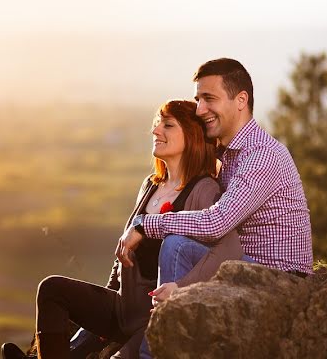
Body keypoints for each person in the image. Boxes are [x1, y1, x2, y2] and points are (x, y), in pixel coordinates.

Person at [2, 99, 242, 359]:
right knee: (51, 290)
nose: (156, 130)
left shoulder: (204, 190)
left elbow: (224, 253)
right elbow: (123, 260)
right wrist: (96, 316)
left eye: (168, 125)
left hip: (151, 314)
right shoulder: (150, 186)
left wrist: (180, 287)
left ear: (193, 136)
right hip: (123, 305)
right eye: (156, 123)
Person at [115, 58, 313, 358]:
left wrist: (146, 224)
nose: (199, 110)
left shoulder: (262, 156)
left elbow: (216, 223)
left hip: (278, 277)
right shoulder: (228, 154)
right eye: (198, 99)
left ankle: (150, 352)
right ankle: (151, 333)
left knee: (177, 246)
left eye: (209, 99)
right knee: (179, 246)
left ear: (241, 101)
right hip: (243, 266)